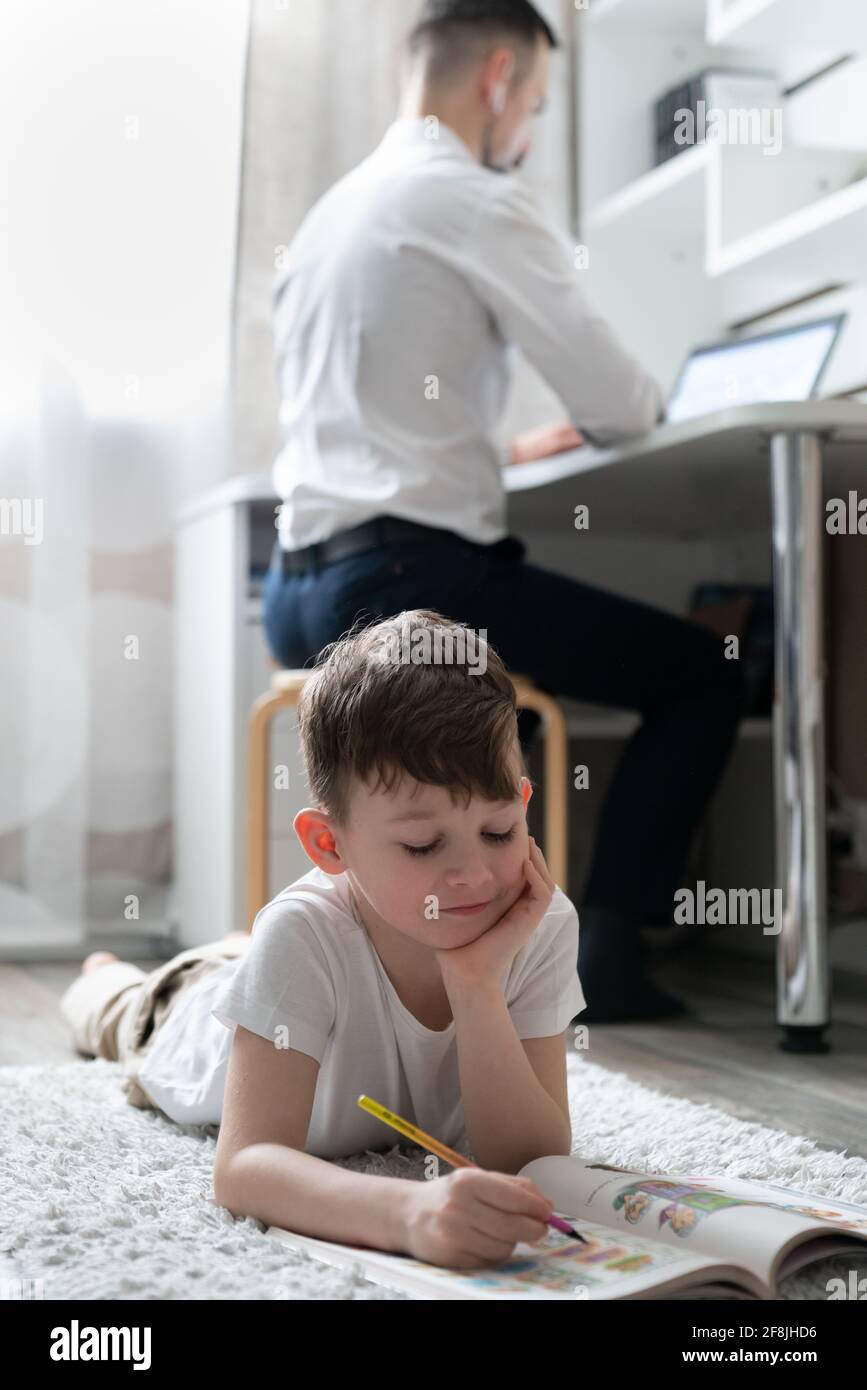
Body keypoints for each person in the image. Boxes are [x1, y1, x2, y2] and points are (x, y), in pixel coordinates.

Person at [262, 0, 745, 1020]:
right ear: (498, 79)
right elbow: (621, 404)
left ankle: (403, 964)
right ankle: (604, 957)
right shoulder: (469, 195)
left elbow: (365, 415)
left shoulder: (334, 214)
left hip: (298, 590)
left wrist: (491, 448)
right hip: (402, 584)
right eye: (535, 103)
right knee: (703, 674)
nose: (526, 130)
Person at [61, 611, 585, 1269]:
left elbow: (531, 1158)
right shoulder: (301, 935)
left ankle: (231, 955)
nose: (475, 875)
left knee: (251, 958)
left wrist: (474, 983)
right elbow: (245, 1167)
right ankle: (108, 971)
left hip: (278, 966)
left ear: (524, 803)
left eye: (499, 831)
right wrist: (407, 1213)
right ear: (327, 844)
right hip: (181, 1014)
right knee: (121, 1005)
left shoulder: (537, 923)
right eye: (423, 844)